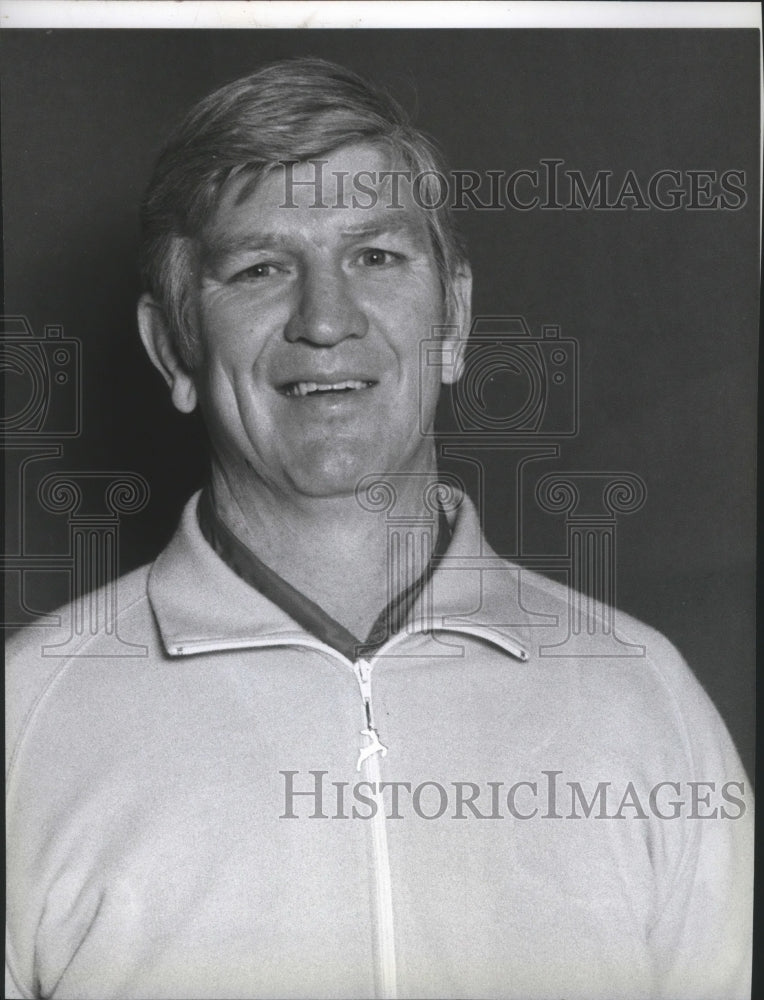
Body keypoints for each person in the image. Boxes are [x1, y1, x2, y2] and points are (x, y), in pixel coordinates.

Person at [5, 58, 753, 1000]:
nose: (326, 319)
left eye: (376, 257)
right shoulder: (23, 722)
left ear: (454, 321)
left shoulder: (648, 705)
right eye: (260, 267)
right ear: (174, 349)